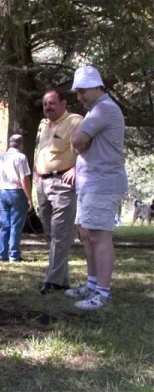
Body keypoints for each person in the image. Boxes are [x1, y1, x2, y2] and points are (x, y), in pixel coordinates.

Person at [67, 65, 128, 310]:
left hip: (102, 182)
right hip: (90, 182)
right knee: (87, 234)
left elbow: (76, 141)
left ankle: (102, 293)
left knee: (100, 236)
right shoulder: (96, 110)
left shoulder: (104, 109)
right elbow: (77, 144)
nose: (79, 96)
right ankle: (92, 284)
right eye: (77, 92)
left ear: (97, 86)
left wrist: (81, 141)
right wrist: (80, 142)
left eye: (83, 91)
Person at [35, 90, 84, 294]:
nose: (48, 107)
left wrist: (76, 168)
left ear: (63, 103)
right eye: (45, 104)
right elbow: (43, 151)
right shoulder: (44, 125)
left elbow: (86, 147)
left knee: (61, 233)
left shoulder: (75, 121)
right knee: (49, 232)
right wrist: (37, 173)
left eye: (52, 103)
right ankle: (60, 279)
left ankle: (53, 280)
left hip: (62, 182)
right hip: (43, 183)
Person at [0, 134, 32, 263]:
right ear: (20, 144)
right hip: (17, 192)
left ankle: (2, 254)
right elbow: (24, 179)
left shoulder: (0, 157)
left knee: (5, 225)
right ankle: (14, 255)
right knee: (16, 225)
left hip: (3, 192)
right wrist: (29, 198)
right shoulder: (21, 157)